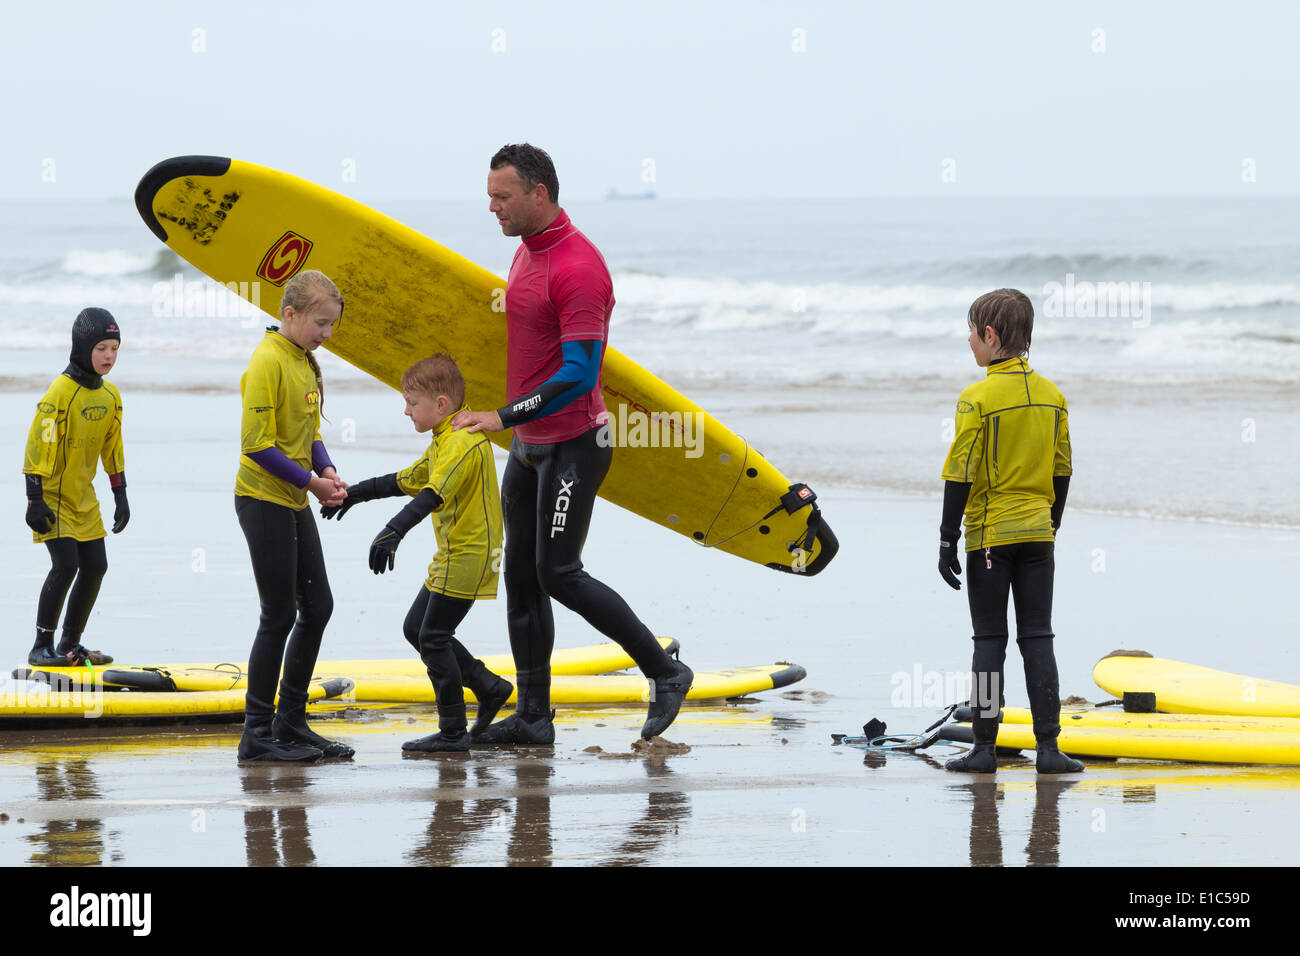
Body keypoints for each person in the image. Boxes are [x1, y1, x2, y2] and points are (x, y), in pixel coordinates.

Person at [453, 143, 693, 745]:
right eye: (488, 196)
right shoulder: (525, 255)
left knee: (558, 572)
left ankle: (665, 671)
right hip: (529, 448)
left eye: (501, 196)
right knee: (523, 579)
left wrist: (502, 416)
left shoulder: (578, 266)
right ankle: (534, 716)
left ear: (539, 193)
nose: (492, 208)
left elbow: (580, 375)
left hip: (575, 444)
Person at [320, 353, 513, 753]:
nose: (405, 410)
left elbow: (432, 494)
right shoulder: (445, 438)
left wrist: (393, 531)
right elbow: (408, 480)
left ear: (440, 405)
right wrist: (353, 495)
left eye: (412, 403)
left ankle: (453, 731)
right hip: (456, 554)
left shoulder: (460, 442)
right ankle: (487, 686)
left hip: (471, 554)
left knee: (434, 635)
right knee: (417, 630)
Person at [938, 288, 1083, 775]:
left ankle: (983, 748)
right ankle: (1049, 749)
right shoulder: (1053, 395)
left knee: (989, 641)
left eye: (972, 333)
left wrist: (946, 537)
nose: (970, 343)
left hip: (990, 539)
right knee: (1039, 637)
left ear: (991, 335)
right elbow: (1063, 469)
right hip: (1039, 534)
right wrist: (1051, 524)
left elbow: (960, 470)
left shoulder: (975, 397)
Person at [234, 269, 352, 763]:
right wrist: (310, 482)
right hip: (262, 500)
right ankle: (256, 733)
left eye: (331, 326)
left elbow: (307, 431)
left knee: (318, 606)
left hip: (293, 499)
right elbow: (255, 444)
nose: (327, 334)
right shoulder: (267, 361)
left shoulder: (303, 360)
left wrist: (325, 468)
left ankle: (290, 720)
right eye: (320, 324)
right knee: (279, 614)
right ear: (291, 314)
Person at [23, 308, 127, 667]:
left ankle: (70, 644)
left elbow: (113, 447)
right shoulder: (60, 394)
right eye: (101, 348)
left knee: (96, 566)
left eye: (114, 348)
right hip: (52, 497)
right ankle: (41, 645)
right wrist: (34, 499)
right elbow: (39, 446)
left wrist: (120, 493)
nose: (109, 356)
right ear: (83, 348)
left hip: (84, 498)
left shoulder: (110, 397)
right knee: (65, 565)